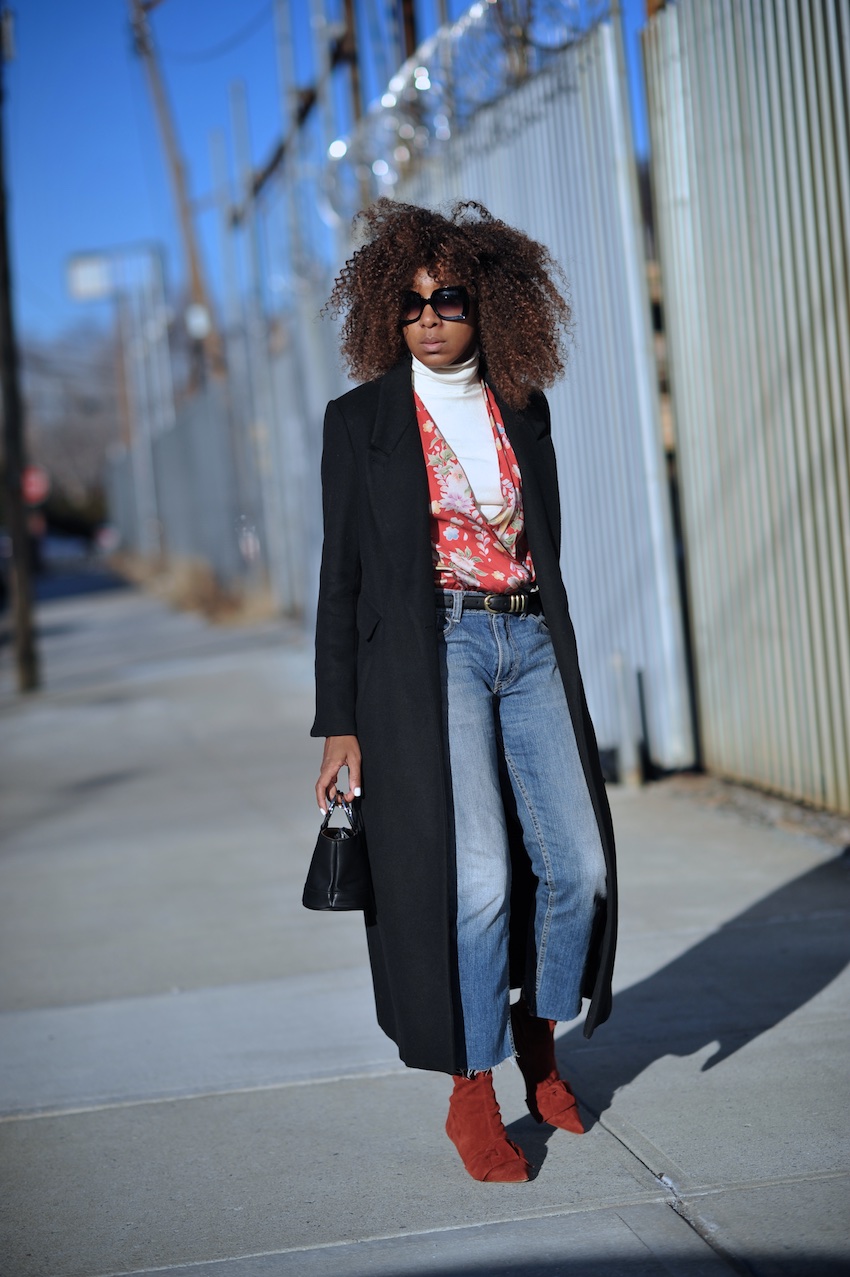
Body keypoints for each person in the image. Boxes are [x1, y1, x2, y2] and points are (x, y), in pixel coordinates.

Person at [312, 199, 617, 1183]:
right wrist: (339, 723)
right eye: (411, 304)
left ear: (486, 303)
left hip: (526, 641)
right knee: (476, 876)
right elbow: (340, 576)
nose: (432, 316)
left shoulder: (522, 403)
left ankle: (538, 1034)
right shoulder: (359, 423)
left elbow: (548, 549)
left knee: (577, 866)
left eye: (450, 297)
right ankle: (472, 1084)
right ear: (386, 318)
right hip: (428, 650)